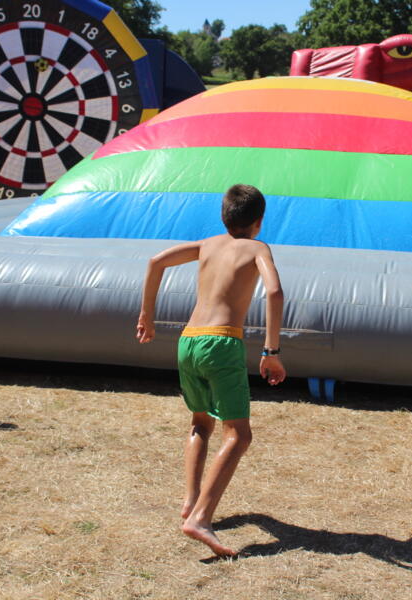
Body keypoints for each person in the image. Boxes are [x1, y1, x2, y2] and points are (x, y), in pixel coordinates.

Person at [136, 183, 286, 557]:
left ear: (223, 216)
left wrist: (146, 316)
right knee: (238, 436)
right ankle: (200, 518)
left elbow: (155, 262)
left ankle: (190, 501)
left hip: (189, 340)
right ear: (259, 221)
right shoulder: (257, 248)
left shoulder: (207, 244)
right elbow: (274, 292)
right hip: (221, 342)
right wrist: (271, 351)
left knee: (200, 423)